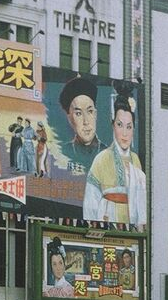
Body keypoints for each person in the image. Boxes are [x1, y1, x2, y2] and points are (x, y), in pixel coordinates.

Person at [83, 94, 146, 225]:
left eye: (129, 127)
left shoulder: (135, 160)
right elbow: (91, 200)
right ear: (113, 126)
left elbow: (141, 199)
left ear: (133, 128)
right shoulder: (101, 158)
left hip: (131, 220)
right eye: (120, 125)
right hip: (107, 217)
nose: (124, 133)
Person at [59, 75, 101, 165]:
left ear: (95, 114)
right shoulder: (62, 153)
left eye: (90, 111)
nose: (86, 121)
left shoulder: (109, 154)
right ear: (70, 119)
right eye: (78, 113)